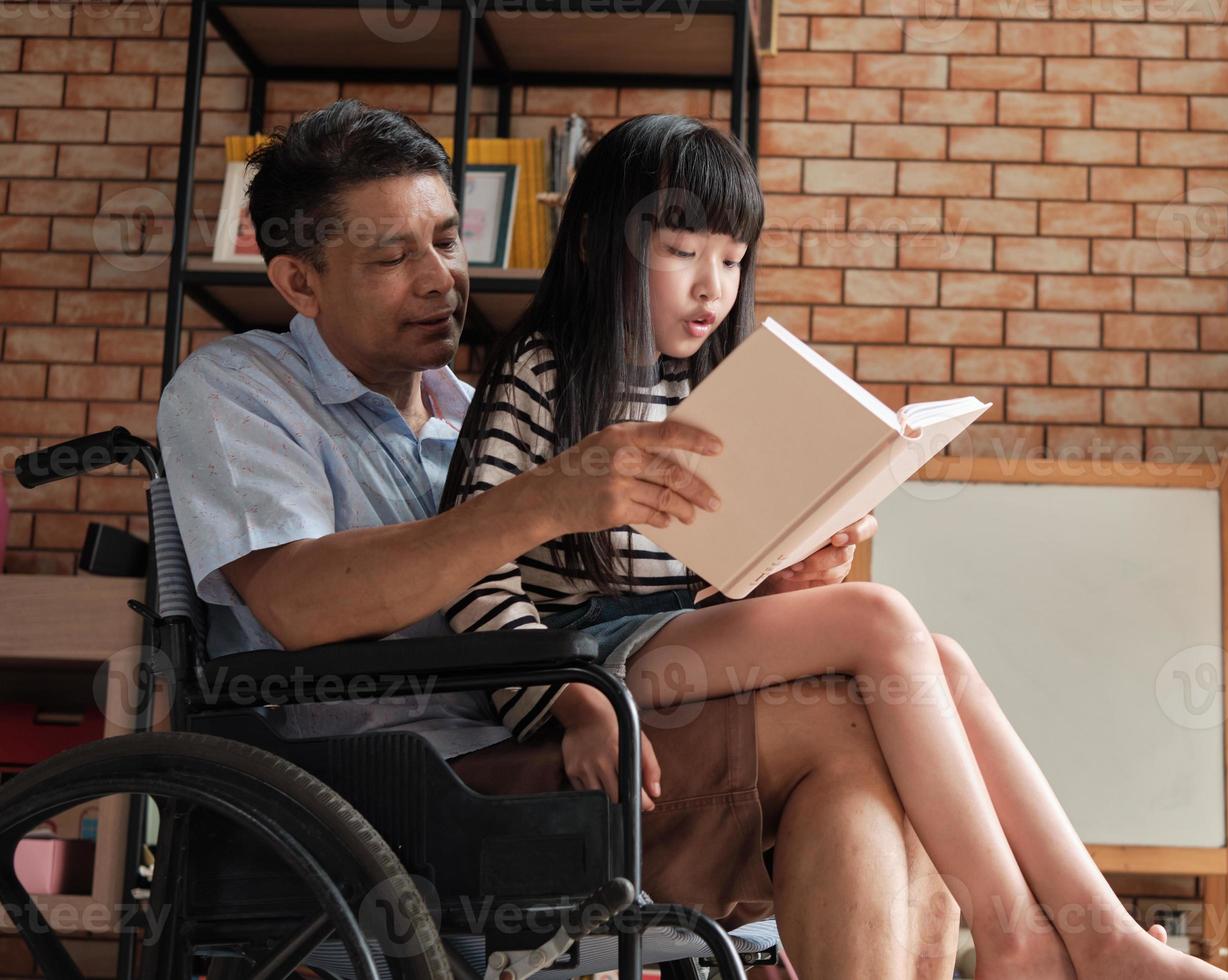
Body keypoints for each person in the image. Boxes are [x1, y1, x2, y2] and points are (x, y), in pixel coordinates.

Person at [155, 99, 961, 979]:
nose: (438, 279)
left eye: (447, 241)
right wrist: (543, 502)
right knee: (850, 727)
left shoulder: (471, 409)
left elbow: (620, 603)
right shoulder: (236, 389)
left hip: (565, 721)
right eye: (393, 257)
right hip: (409, 780)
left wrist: (780, 584)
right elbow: (300, 605)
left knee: (873, 712)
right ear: (298, 282)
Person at [440, 113, 1228, 980]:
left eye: (732, 257)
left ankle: (1098, 931)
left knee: (935, 660)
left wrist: (794, 559)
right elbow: (472, 566)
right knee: (880, 619)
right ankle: (1024, 939)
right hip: (589, 656)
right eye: (682, 251)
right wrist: (571, 704)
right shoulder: (544, 367)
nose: (712, 286)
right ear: (598, 246)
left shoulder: (709, 385)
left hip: (668, 640)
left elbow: (710, 583)